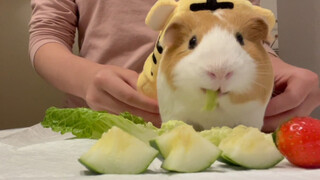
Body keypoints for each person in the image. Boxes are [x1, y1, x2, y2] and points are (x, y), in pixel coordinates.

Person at [29, 0, 320, 132]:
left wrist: (274, 68)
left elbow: (242, 32)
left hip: (226, 126)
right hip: (106, 126)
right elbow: (46, 37)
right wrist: (87, 79)